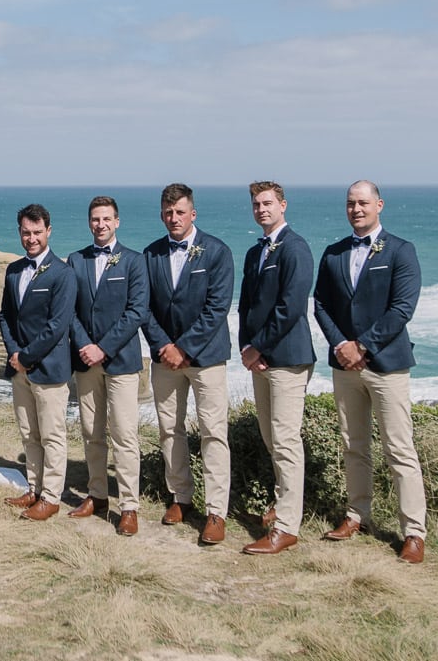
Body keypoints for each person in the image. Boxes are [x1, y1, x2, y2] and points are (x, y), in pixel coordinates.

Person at [313, 180, 427, 564]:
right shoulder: (333, 253)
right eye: (350, 203)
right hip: (344, 366)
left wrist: (362, 345)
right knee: (353, 444)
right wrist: (341, 345)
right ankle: (356, 515)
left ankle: (413, 531)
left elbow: (402, 307)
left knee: (399, 448)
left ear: (379, 204)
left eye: (363, 202)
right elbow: (321, 305)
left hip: (386, 365)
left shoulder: (400, 251)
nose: (356, 209)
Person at [142, 184, 235, 545]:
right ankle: (180, 496)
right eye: (168, 212)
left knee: (213, 431)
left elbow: (217, 308)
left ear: (192, 214)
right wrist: (164, 346)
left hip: (207, 357)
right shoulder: (150, 254)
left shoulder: (217, 252)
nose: (174, 218)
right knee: (169, 429)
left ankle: (216, 511)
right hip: (165, 358)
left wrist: (185, 348)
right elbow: (144, 306)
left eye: (180, 212)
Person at [237, 180, 316, 555]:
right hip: (261, 358)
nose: (261, 209)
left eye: (267, 202)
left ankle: (287, 527)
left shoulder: (295, 248)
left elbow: (291, 306)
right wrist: (246, 347)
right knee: (271, 437)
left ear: (283, 205)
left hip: (287, 358)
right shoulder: (257, 252)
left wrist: (260, 348)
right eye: (256, 203)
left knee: (286, 440)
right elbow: (246, 305)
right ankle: (281, 505)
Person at [64, 195, 149, 536]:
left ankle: (129, 506)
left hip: (121, 361)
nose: (100, 224)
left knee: (125, 434)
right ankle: (97, 494)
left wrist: (104, 347)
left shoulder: (134, 261)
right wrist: (85, 344)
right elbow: (68, 309)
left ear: (117, 222)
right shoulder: (75, 260)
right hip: (85, 362)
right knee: (91, 431)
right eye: (95, 219)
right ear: (90, 223)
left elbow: (137, 310)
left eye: (106, 219)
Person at [0, 204, 76, 521]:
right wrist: (15, 354)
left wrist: (27, 356)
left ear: (49, 231)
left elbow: (58, 325)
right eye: (26, 233)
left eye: (37, 232)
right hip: (20, 369)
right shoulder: (14, 270)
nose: (31, 238)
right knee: (29, 433)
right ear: (19, 233)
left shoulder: (63, 273)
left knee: (52, 435)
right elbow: (5, 317)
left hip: (49, 368)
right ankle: (34, 487)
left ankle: (52, 496)